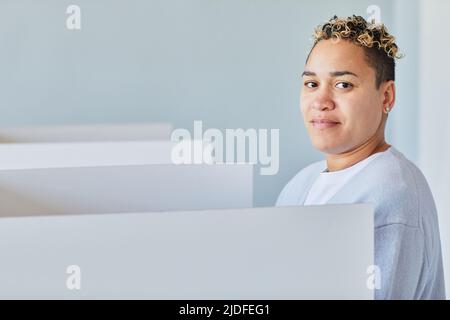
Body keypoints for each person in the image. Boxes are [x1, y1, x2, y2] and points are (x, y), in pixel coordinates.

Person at [276, 15, 445, 299]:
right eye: (311, 84)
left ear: (387, 97)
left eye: (343, 84)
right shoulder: (298, 185)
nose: (320, 101)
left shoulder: (393, 196)